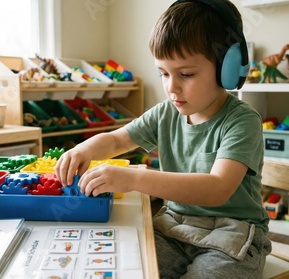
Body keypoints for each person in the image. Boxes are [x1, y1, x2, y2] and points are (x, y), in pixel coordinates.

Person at [54, 0, 272, 278]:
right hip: (175, 227)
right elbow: (117, 141)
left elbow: (217, 189)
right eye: (163, 73)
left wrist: (133, 179)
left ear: (226, 68)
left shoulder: (242, 120)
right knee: (127, 265)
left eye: (186, 74)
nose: (171, 87)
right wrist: (85, 149)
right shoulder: (166, 112)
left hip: (233, 236)